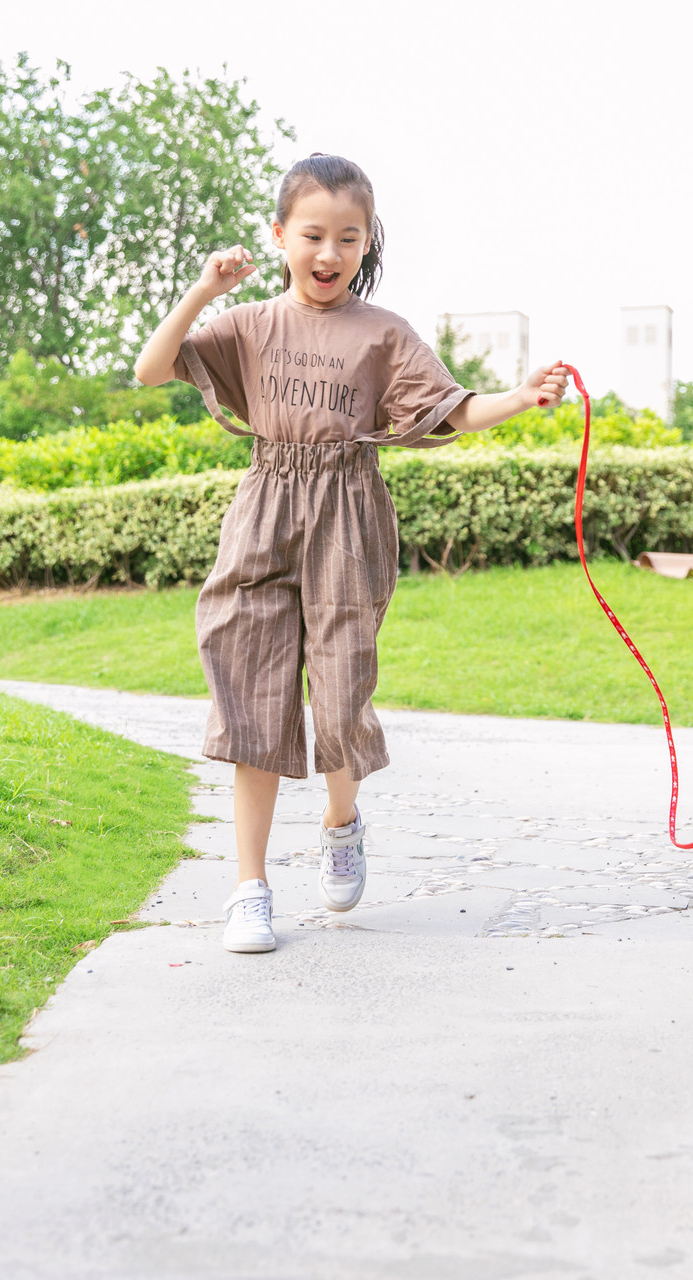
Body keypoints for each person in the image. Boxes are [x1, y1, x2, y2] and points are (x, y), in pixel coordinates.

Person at [135, 153, 569, 953]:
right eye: (312, 235)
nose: (329, 254)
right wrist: (204, 291)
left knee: (339, 699)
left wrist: (521, 396)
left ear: (367, 245)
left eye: (348, 238)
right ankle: (250, 888)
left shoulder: (383, 335)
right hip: (265, 507)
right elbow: (151, 367)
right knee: (252, 698)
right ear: (280, 236)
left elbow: (453, 408)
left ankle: (341, 823)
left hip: (348, 512)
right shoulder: (251, 324)